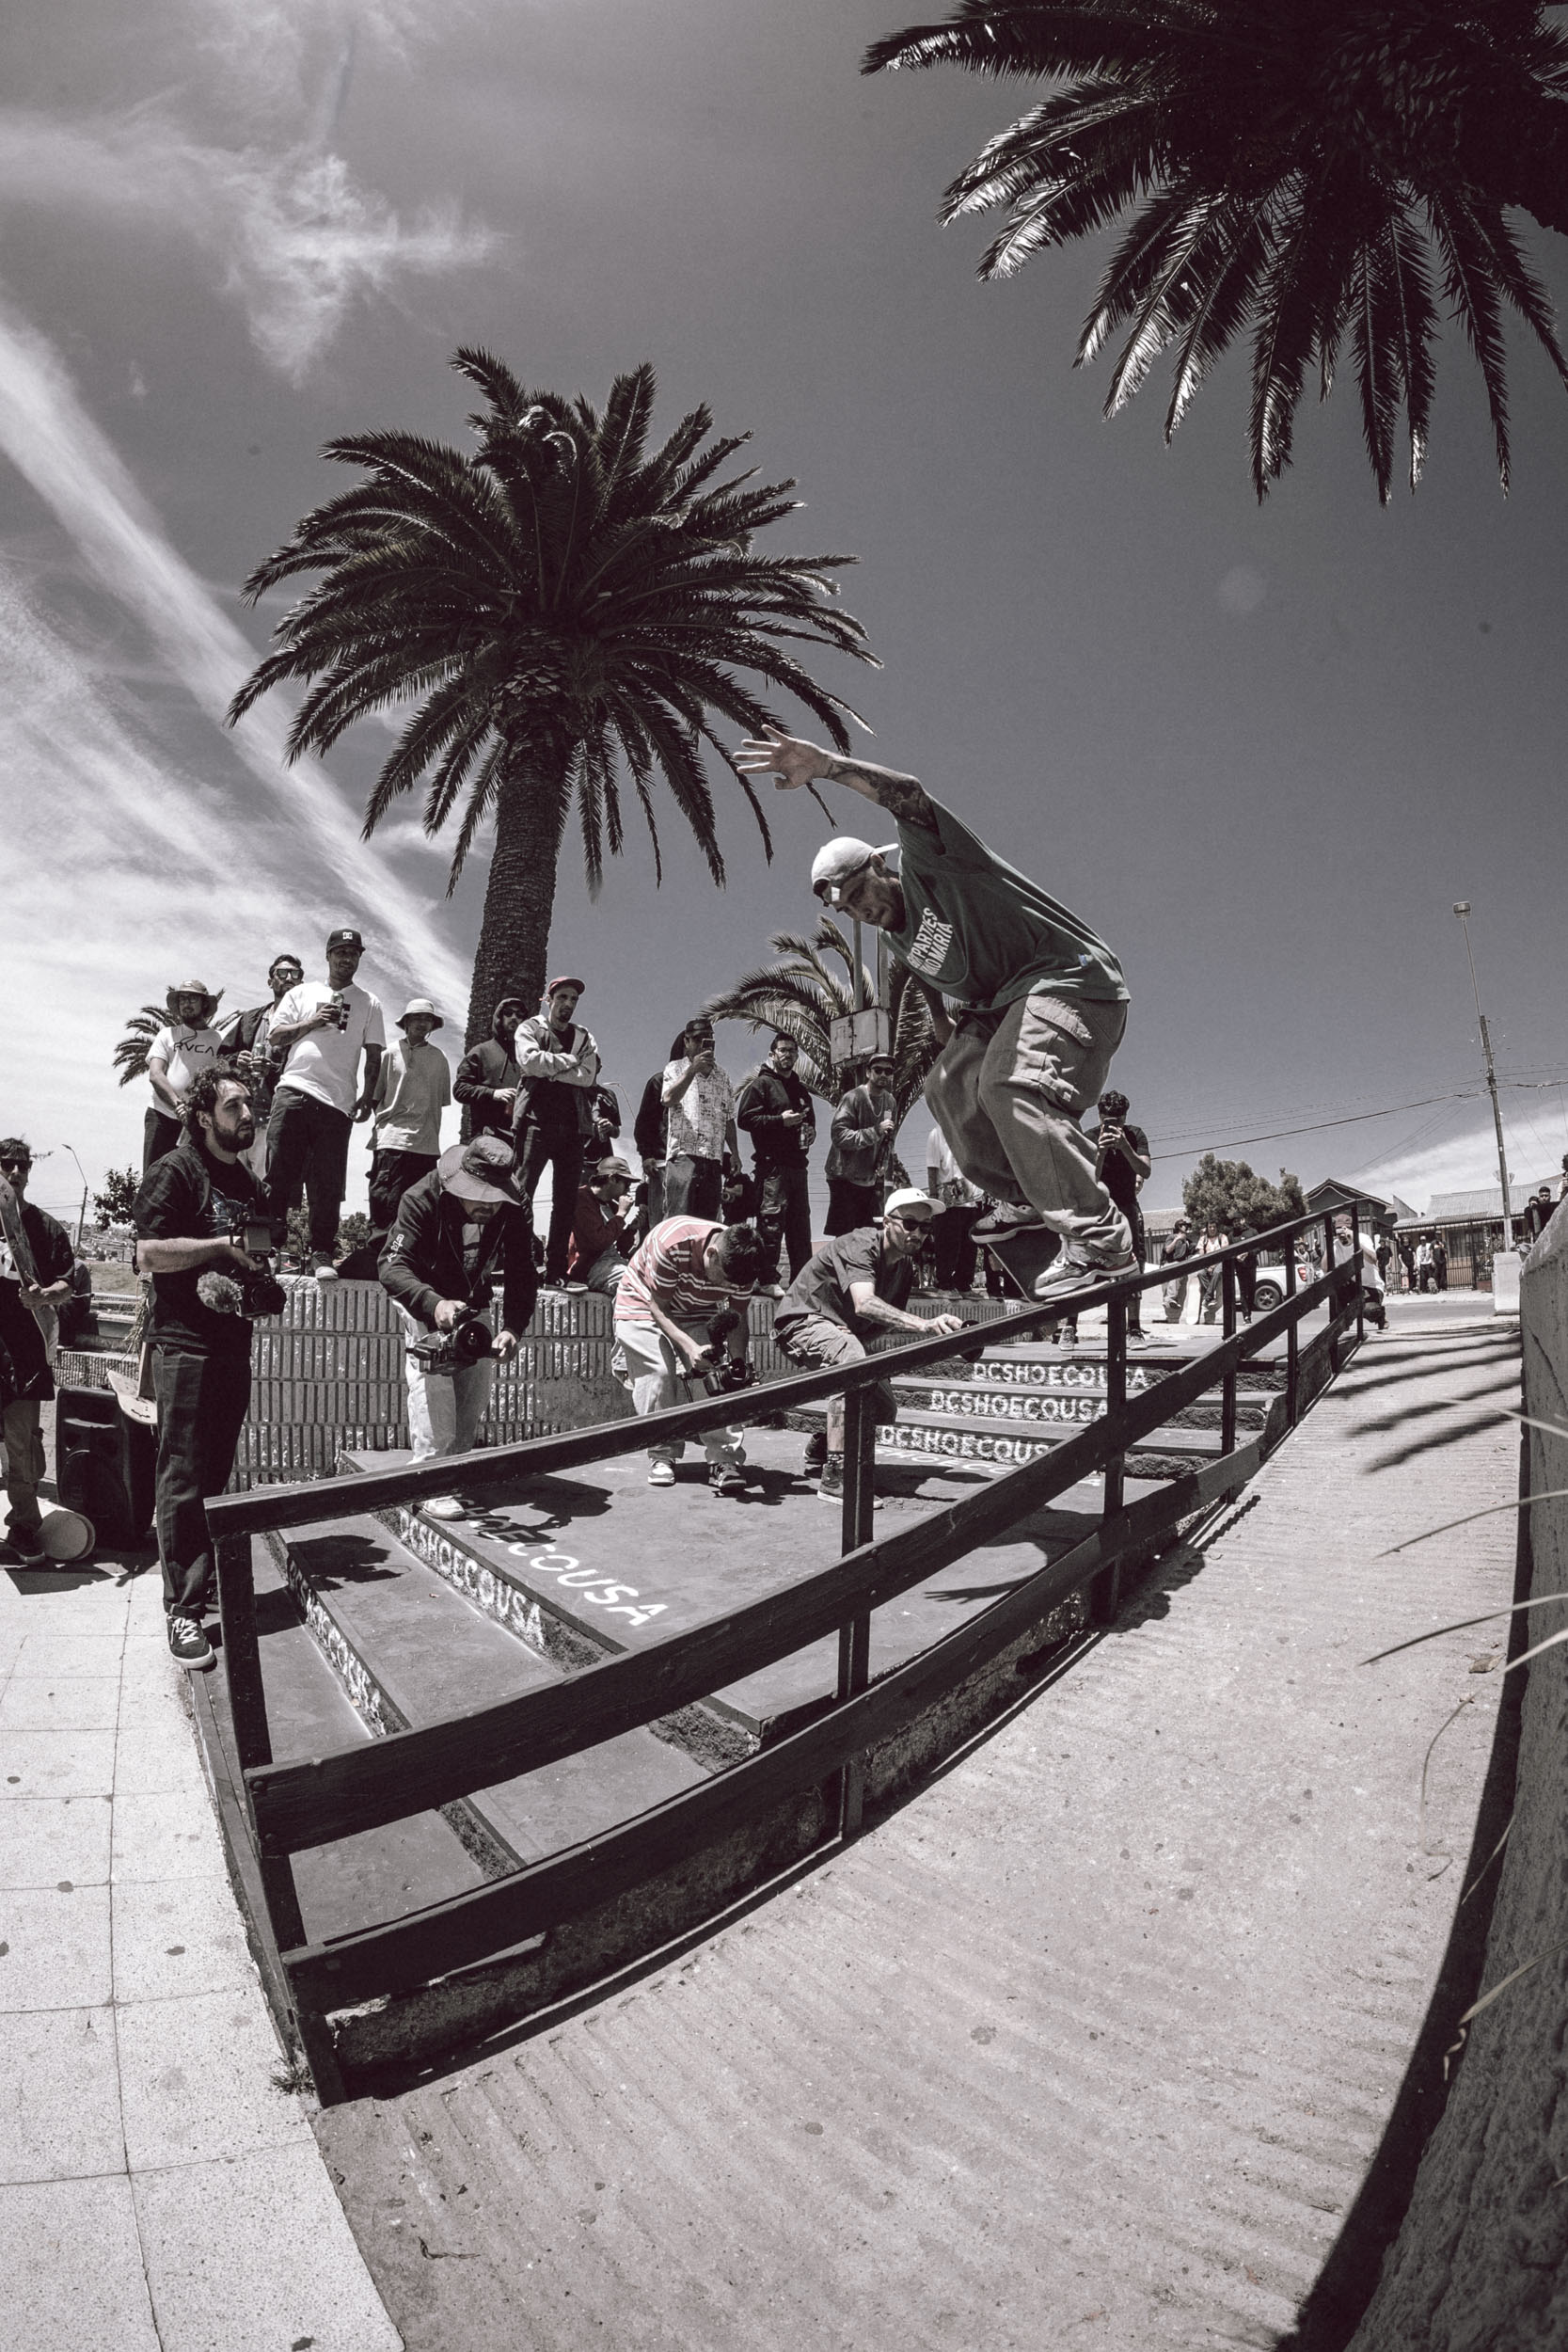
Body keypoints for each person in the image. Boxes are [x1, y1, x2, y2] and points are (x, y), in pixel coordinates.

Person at [736, 728, 1132, 1307]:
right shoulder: (895, 938)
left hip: (1068, 981)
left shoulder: (932, 867)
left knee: (1009, 1082)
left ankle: (1101, 1240)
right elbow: (926, 974)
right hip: (998, 1007)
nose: (861, 910)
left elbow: (910, 796)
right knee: (944, 1088)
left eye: (859, 893)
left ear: (879, 865)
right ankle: (1028, 1199)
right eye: (847, 910)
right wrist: (948, 1038)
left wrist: (827, 766)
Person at [132, 1069, 268, 1669]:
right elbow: (148, 1254)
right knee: (182, 1475)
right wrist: (216, 1247)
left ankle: (198, 1580)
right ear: (205, 1115)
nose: (248, 1113)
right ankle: (182, 1611)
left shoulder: (252, 1184)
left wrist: (262, 1281)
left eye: (250, 1104)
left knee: (214, 1473)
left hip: (233, 1343)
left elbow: (257, 1253)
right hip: (184, 1344)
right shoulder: (176, 1170)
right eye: (234, 1105)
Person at [378, 1135, 537, 1512]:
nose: (488, 1206)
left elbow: (522, 1270)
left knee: (474, 1389)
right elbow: (391, 1265)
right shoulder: (421, 1197)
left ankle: (453, 1471)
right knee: (433, 1380)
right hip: (424, 1297)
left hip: (472, 1298)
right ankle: (429, 1481)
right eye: (478, 1196)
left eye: (495, 1198)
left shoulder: (515, 1205)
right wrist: (433, 1304)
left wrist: (513, 1328)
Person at [773, 1189, 964, 1502]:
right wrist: (924, 1324)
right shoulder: (861, 1244)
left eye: (926, 1227)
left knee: (884, 1407)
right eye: (910, 1223)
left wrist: (856, 1342)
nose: (918, 1234)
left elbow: (885, 1321)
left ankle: (825, 1444)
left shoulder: (904, 1267)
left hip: (841, 1331)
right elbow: (865, 1304)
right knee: (851, 1361)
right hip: (800, 1321)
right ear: (887, 1222)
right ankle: (837, 1475)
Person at [612, 1215, 768, 1491]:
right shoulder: (672, 1243)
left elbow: (736, 1317)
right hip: (643, 1305)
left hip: (696, 1310)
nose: (729, 1288)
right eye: (726, 1281)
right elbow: (658, 1308)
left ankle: (725, 1459)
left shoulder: (743, 1262)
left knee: (717, 1377)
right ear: (712, 1254)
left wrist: (737, 1367)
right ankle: (662, 1455)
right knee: (659, 1372)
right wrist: (690, 1347)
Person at [265, 929, 385, 1276]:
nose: (347, 958)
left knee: (327, 1183)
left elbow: (373, 1055)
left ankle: (321, 1252)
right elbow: (276, 1036)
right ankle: (268, 1246)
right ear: (328, 955)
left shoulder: (369, 1002)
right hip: (294, 1090)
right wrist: (312, 1022)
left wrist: (367, 1095)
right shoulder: (302, 993)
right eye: (340, 952)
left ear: (359, 958)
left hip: (338, 1102)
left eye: (353, 953)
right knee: (279, 1172)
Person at [0, 1137, 75, 1565]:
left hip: (24, 1351)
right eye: (6, 1164)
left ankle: (24, 1526)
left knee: (22, 1446)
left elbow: (68, 1283)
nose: (15, 1172)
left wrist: (45, 1295)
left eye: (22, 1166)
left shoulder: (46, 1228)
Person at [511, 977, 602, 1289]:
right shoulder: (530, 1028)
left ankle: (556, 1272)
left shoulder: (584, 1036)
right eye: (562, 997)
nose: (568, 1004)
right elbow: (529, 1062)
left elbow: (588, 1076)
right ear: (548, 999)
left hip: (573, 1127)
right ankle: (519, 1266)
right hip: (535, 1122)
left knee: (565, 1202)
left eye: (573, 999)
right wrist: (570, 1062)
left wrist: (552, 1070)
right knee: (521, 1194)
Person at [737, 1031, 816, 1291]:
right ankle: (766, 1279)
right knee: (771, 1225)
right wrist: (779, 1121)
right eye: (783, 1050)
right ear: (772, 1054)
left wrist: (810, 1133)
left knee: (800, 1228)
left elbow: (810, 1123)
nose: (788, 1055)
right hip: (772, 1168)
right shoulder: (761, 1085)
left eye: (792, 1050)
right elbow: (745, 1119)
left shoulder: (801, 1091)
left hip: (798, 1168)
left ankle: (801, 1284)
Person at [368, 999, 451, 1232]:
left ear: (433, 1025)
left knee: (420, 1209)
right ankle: (380, 1251)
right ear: (406, 1022)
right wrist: (388, 1126)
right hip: (391, 1141)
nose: (422, 1023)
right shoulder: (389, 1053)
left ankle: (409, 1253)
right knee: (384, 1203)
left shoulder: (440, 1058)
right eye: (416, 1017)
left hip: (425, 1144)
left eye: (427, 1019)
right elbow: (375, 1097)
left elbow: (440, 1101)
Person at [219, 953, 303, 1180]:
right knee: (230, 1185)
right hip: (239, 1117)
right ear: (270, 981)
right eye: (282, 973)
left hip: (275, 1122)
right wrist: (237, 1060)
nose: (289, 978)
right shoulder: (250, 1019)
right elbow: (221, 1057)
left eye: (295, 974)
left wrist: (272, 1070)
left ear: (301, 982)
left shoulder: (305, 1025)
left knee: (267, 1188)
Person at [1082, 1089, 1152, 1343]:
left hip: (1127, 1205)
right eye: (1108, 1120)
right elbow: (1087, 1178)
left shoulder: (1135, 1135)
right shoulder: (1089, 1137)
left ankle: (1134, 1328)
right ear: (1100, 1116)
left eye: (1118, 1120)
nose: (1113, 1125)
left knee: (1134, 1265)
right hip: (1098, 1208)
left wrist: (1125, 1147)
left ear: (1125, 1117)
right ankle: (1070, 1327)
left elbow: (1145, 1170)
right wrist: (1100, 1152)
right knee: (1082, 1263)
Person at [662, 1017, 740, 1224]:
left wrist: (734, 1152)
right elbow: (668, 1099)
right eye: (697, 1039)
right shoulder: (675, 1068)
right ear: (686, 1041)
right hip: (683, 1155)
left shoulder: (723, 1076)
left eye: (708, 1039)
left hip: (713, 1157)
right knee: (679, 1219)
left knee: (707, 1223)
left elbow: (729, 1117)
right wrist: (692, 1070)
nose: (704, 1044)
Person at [143, 981, 225, 1173]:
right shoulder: (167, 1034)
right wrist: (179, 1107)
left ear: (204, 1004)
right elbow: (155, 1074)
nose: (186, 1003)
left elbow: (225, 1077)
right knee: (155, 1176)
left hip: (201, 1122)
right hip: (162, 1115)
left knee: (195, 1177)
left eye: (192, 998)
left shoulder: (220, 1039)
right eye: (182, 999)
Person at [826, 1054, 898, 1234]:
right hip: (844, 1177)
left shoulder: (890, 1101)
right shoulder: (853, 1097)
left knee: (869, 1236)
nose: (883, 1074)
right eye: (878, 1070)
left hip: (869, 1181)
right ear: (868, 1072)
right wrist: (875, 1131)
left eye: (888, 1071)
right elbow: (839, 1136)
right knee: (846, 1238)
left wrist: (883, 1162)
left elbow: (888, 1139)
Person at [454, 992, 529, 1144]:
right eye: (509, 1013)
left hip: (520, 1140)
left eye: (519, 1014)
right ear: (500, 1017)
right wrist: (493, 1094)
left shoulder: (529, 1056)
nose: (514, 1017)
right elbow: (460, 1089)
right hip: (487, 1135)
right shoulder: (481, 1051)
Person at [926, 1122, 982, 1295]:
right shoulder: (936, 1134)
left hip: (971, 1200)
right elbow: (932, 1169)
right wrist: (934, 1199)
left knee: (969, 1244)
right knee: (947, 1244)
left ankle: (964, 1285)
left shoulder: (969, 1133)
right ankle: (944, 1284)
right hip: (948, 1202)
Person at [568, 1156, 637, 1295]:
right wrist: (621, 1215)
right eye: (626, 1183)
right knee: (634, 1283)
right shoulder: (582, 1198)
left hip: (613, 1263)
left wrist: (631, 1229)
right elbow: (598, 1242)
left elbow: (618, 1247)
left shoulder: (610, 1205)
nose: (628, 1190)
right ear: (612, 1179)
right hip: (590, 1267)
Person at [1160, 1216, 1195, 1324]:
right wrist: (1177, 1239)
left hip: (1183, 1268)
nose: (1187, 1228)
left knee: (1181, 1295)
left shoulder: (1188, 1241)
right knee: (1169, 1295)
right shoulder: (1171, 1237)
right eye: (1185, 1226)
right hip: (1171, 1265)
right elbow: (1168, 1250)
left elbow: (1195, 1253)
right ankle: (1170, 1303)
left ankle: (1174, 1320)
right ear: (1179, 1227)